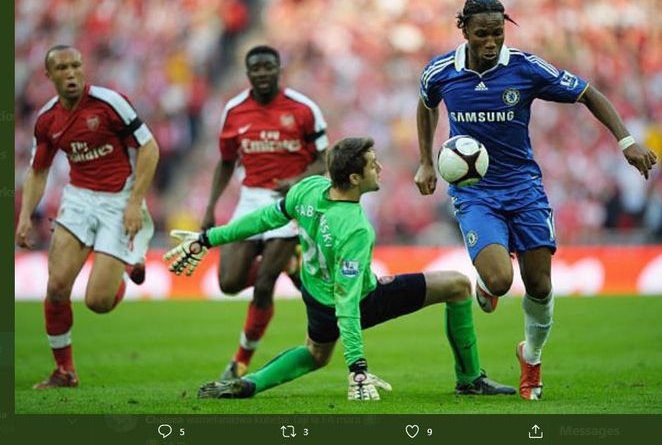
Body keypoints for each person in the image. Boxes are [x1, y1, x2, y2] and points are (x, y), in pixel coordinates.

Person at [413, 0, 658, 401]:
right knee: (499, 279)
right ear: (465, 32)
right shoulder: (440, 72)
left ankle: (531, 355)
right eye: (482, 34)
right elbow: (426, 106)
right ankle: (488, 280)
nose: (491, 42)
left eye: (497, 33)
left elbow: (588, 93)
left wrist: (627, 141)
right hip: (476, 192)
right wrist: (425, 161)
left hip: (524, 188)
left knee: (540, 284)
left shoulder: (525, 68)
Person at [165, 137, 515, 400]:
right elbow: (348, 303)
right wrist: (358, 368)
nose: (380, 169)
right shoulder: (355, 228)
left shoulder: (309, 189)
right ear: (354, 177)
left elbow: (263, 219)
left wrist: (208, 238)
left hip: (315, 294)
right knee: (456, 286)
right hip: (353, 300)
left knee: (316, 354)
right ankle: (470, 380)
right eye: (373, 164)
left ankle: (251, 382)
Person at [16, 45, 159, 388]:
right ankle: (64, 370)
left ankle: (124, 268)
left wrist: (134, 202)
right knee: (57, 287)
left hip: (118, 199)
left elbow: (149, 147)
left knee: (98, 302)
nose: (71, 74)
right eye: (62, 68)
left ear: (84, 68)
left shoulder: (110, 103)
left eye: (76, 65)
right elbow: (38, 171)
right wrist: (24, 216)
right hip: (79, 199)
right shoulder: (47, 120)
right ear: (49, 76)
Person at [201, 45, 329, 381]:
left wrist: (299, 182)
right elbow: (226, 161)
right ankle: (287, 261)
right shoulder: (235, 111)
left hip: (288, 204)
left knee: (263, 285)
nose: (261, 73)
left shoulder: (303, 109)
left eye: (267, 67)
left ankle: (240, 361)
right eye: (255, 68)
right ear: (247, 73)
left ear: (278, 69)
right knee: (228, 282)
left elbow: (323, 159)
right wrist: (210, 208)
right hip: (250, 199)